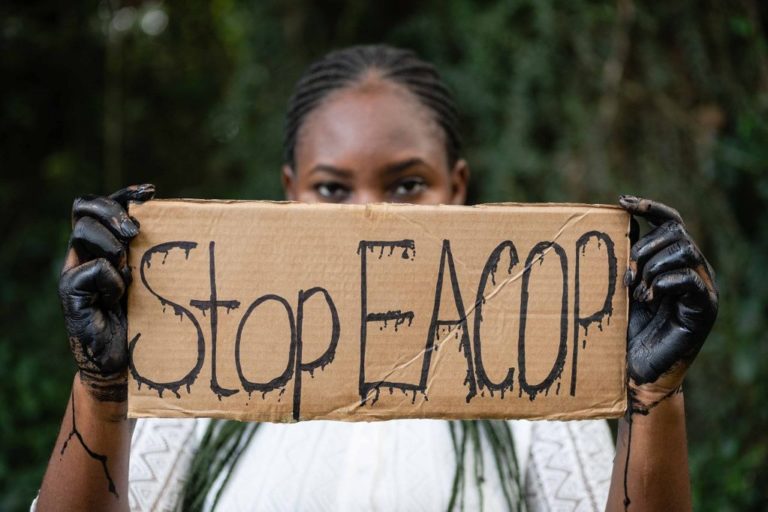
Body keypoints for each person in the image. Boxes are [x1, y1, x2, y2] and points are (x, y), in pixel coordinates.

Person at [35, 45, 718, 511]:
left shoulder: (531, 393)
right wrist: (102, 388)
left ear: (457, 189)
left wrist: (656, 397)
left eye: (407, 185)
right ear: (289, 194)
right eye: (333, 190)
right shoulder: (196, 379)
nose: (369, 217)